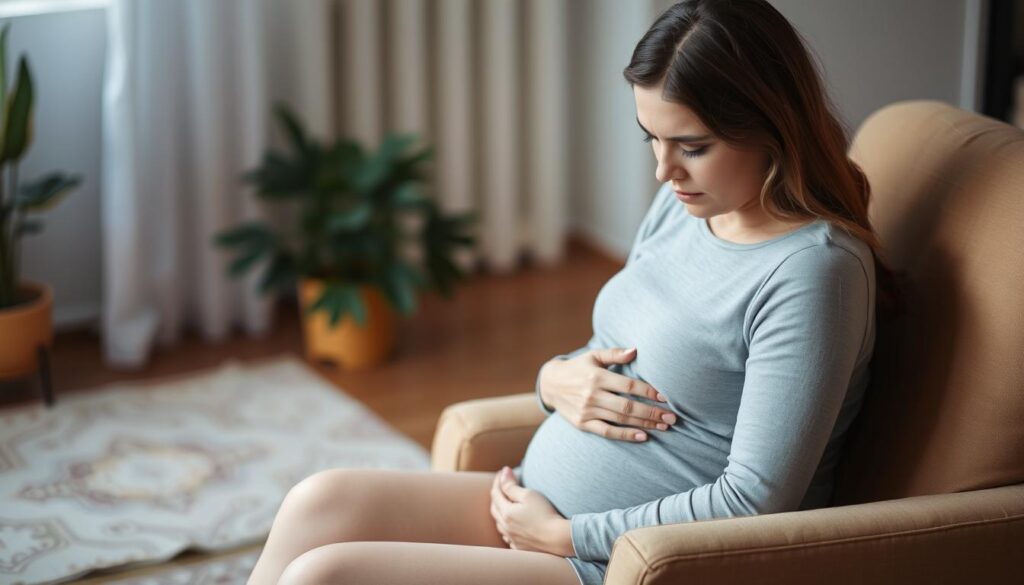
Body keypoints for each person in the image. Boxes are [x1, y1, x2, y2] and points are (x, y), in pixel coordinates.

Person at [246, 1, 901, 583]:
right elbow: (613, 352)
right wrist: (553, 379)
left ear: (771, 126)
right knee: (318, 502)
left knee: (323, 576)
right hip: (537, 509)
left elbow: (755, 500)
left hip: (616, 561)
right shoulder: (692, 205)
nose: (664, 170)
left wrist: (566, 534)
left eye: (692, 146)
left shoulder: (813, 272)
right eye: (652, 138)